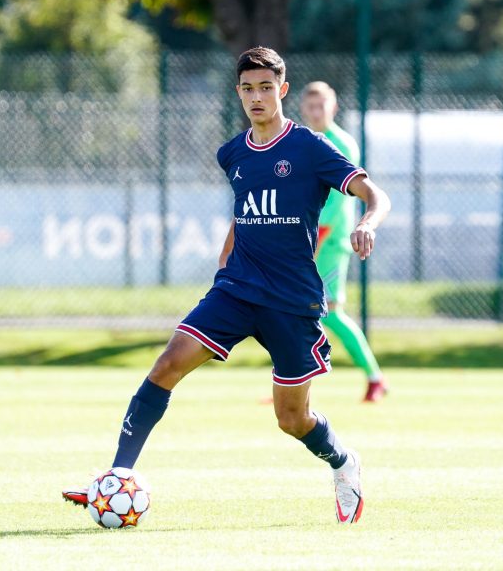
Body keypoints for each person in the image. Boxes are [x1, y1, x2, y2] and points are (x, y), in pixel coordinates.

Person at [63, 47, 390, 524]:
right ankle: (115, 476)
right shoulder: (233, 153)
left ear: (282, 90)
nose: (256, 97)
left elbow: (374, 194)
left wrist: (370, 222)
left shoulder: (311, 148)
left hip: (292, 301)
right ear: (238, 93)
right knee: (166, 365)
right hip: (236, 288)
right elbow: (246, 207)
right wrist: (227, 255)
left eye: (265, 88)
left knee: (291, 419)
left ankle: (343, 461)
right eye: (247, 88)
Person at [300, 81, 388, 402]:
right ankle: (292, 384)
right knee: (295, 310)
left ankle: (375, 376)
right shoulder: (305, 141)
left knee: (330, 313)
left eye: (320, 105)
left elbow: (338, 202)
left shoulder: (342, 144)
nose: (315, 111)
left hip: (329, 243)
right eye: (310, 106)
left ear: (333, 107)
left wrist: (318, 237)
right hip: (308, 239)